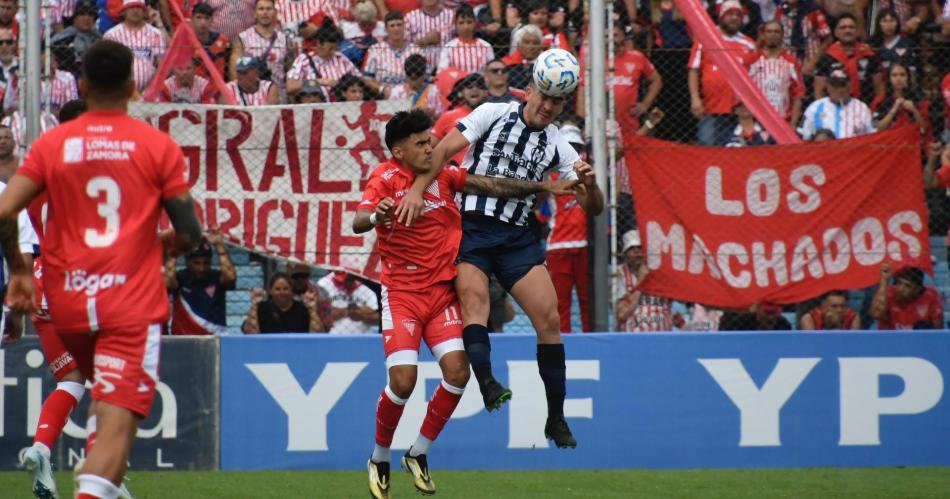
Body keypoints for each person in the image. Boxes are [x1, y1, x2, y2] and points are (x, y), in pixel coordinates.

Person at [0, 40, 202, 499]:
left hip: (67, 302)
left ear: (84, 85)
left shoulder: (52, 146)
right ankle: (97, 485)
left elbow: (5, 210)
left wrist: (19, 271)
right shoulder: (156, 146)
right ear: (132, 86)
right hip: (128, 303)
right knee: (116, 424)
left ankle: (101, 479)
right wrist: (163, 246)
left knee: (95, 393)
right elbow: (190, 232)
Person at [353, 108, 575, 498]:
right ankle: (379, 457)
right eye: (421, 143)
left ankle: (418, 453)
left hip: (441, 293)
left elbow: (492, 185)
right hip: (402, 295)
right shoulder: (384, 178)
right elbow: (358, 220)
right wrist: (376, 216)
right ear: (399, 151)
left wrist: (543, 186)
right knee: (403, 381)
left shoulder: (445, 175)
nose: (431, 148)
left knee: (458, 374)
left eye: (430, 140)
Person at [395, 62, 604, 448]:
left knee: (549, 320)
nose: (548, 106)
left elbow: (594, 207)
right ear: (530, 90)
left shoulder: (558, 143)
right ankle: (488, 383)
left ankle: (556, 417)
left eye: (557, 101)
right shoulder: (493, 113)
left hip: (516, 239)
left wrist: (590, 186)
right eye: (544, 96)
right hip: (471, 230)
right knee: (476, 306)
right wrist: (416, 191)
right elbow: (442, 152)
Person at [688, 0, 756, 145]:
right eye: (730, 14)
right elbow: (693, 69)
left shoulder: (749, 43)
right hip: (712, 107)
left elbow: (755, 75)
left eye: (738, 15)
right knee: (707, 146)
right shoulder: (705, 38)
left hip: (741, 111)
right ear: (721, 16)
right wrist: (695, 98)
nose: (734, 18)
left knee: (738, 148)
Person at [543, 123, 590, 333]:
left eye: (576, 147)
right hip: (558, 247)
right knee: (561, 303)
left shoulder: (588, 176)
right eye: (568, 146)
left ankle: (593, 340)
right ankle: (564, 344)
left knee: (588, 302)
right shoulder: (549, 176)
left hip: (583, 245)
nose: (572, 151)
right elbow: (540, 210)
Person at [577, 25, 660, 138]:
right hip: (599, 124)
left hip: (629, 123)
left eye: (615, 35)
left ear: (623, 37)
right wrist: (582, 120)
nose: (611, 39)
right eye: (606, 36)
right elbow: (582, 91)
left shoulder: (637, 58)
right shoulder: (591, 61)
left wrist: (645, 104)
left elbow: (656, 80)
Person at [165, 231, 236, 335]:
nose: (201, 268)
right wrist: (174, 253)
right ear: (187, 262)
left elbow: (231, 278)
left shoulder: (216, 277)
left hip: (214, 338)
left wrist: (219, 245)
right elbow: (168, 283)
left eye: (206, 263)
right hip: (183, 338)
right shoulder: (181, 278)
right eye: (196, 263)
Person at [231, 0, 295, 100]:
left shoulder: (286, 40)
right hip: (250, 98)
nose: (265, 12)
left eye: (269, 9)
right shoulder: (242, 39)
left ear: (275, 13)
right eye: (261, 9)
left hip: (279, 96)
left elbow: (291, 74)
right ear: (255, 13)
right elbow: (234, 72)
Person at [813, 13, 883, 104]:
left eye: (851, 27)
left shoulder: (869, 55)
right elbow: (818, 92)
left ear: (857, 31)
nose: (847, 30)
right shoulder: (826, 58)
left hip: (865, 106)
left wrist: (872, 109)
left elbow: (880, 90)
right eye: (843, 28)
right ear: (836, 33)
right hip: (835, 108)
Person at [743, 20, 803, 125]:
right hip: (756, 121)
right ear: (763, 35)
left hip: (783, 120)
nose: (773, 35)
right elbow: (743, 91)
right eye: (769, 31)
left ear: (782, 35)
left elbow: (798, 94)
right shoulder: (751, 60)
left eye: (776, 32)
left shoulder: (791, 62)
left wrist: (792, 125)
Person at [286, 19, 365, 98]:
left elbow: (359, 79)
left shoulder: (341, 58)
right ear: (319, 43)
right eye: (330, 48)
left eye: (336, 48)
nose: (333, 52)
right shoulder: (304, 60)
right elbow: (290, 86)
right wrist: (319, 82)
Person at [613, 230, 673, 332]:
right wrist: (641, 281)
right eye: (632, 249)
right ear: (625, 255)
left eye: (640, 248)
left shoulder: (661, 271)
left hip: (660, 331)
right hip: (632, 333)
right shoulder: (621, 273)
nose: (637, 251)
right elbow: (622, 315)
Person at [103, 0, 168, 92]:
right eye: (131, 7)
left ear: (144, 12)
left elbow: (161, 65)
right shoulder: (111, 35)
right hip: (120, 91)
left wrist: (151, 88)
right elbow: (108, 67)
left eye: (138, 7)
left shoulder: (155, 34)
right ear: (124, 12)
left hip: (150, 91)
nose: (135, 10)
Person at [799, 69, 874, 140]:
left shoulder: (861, 108)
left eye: (842, 85)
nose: (838, 89)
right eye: (833, 85)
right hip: (826, 148)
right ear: (828, 87)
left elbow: (870, 135)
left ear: (849, 87)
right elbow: (806, 136)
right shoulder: (815, 107)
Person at [432, 73, 488, 166]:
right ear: (462, 92)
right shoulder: (448, 116)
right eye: (469, 86)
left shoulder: (494, 116)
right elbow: (430, 145)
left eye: (480, 86)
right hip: (455, 170)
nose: (474, 89)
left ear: (486, 92)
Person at [243, 272, 325, 333]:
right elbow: (250, 332)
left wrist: (312, 309)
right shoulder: (261, 308)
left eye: (285, 289)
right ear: (270, 291)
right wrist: (254, 305)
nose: (282, 292)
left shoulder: (303, 309)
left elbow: (318, 334)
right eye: (277, 289)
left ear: (291, 290)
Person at [362, 10, 425, 90]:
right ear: (386, 29)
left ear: (404, 27)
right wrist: (382, 90)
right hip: (383, 95)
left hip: (410, 94)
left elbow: (425, 77)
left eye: (399, 25)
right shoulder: (375, 50)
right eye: (392, 26)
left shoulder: (416, 50)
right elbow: (366, 79)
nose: (396, 29)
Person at [869, 263, 944, 330]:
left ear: (917, 290)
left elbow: (939, 329)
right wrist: (884, 281)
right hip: (890, 338)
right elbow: (876, 314)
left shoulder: (929, 296)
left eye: (907, 286)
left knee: (923, 326)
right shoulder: (888, 293)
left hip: (917, 339)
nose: (900, 289)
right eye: (899, 283)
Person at [773, 0, 831, 74]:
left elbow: (828, 38)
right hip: (786, 61)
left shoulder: (813, 11)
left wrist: (813, 62)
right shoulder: (780, 10)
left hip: (809, 59)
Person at [871, 62, 927, 134]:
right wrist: (894, 108)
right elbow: (878, 129)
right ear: (889, 78)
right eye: (894, 75)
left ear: (908, 77)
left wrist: (914, 110)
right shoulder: (880, 100)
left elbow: (924, 128)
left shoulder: (918, 99)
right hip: (890, 138)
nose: (898, 78)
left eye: (902, 75)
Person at [316, 270, 380, 334]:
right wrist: (348, 311)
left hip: (363, 337)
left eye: (348, 280)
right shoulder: (324, 283)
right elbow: (320, 315)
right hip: (332, 336)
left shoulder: (367, 284)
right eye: (342, 281)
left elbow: (378, 318)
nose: (345, 283)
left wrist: (363, 317)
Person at [50, 0, 102, 77]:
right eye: (82, 14)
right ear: (75, 18)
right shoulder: (61, 39)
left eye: (90, 15)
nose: (86, 18)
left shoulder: (99, 39)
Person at [438, 5, 494, 74]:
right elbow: (442, 72)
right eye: (461, 23)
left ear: (475, 23)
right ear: (455, 25)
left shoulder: (486, 46)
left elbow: (492, 72)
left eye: (469, 22)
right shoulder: (448, 48)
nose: (466, 27)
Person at [387, 53, 444, 118]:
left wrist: (430, 114)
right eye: (411, 78)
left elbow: (441, 116)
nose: (413, 83)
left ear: (424, 74)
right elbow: (391, 116)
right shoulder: (396, 92)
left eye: (416, 79)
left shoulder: (433, 92)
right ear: (406, 75)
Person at [405, 0, 454, 69]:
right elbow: (404, 47)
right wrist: (426, 40)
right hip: (419, 69)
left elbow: (460, 41)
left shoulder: (451, 16)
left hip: (447, 67)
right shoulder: (410, 17)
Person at [191, 2, 231, 81]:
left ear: (212, 20)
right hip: (194, 86)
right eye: (199, 17)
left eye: (206, 18)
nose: (203, 22)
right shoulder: (185, 42)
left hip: (218, 85)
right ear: (192, 19)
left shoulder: (223, 41)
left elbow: (229, 68)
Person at [504, 24, 544, 89]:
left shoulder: (545, 66)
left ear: (541, 46)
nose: (531, 47)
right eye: (526, 42)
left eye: (535, 43)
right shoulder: (507, 64)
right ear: (518, 45)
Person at [719, 303, 793, 330]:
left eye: (773, 313)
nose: (770, 317)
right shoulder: (742, 322)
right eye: (767, 313)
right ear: (757, 312)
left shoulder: (783, 324)